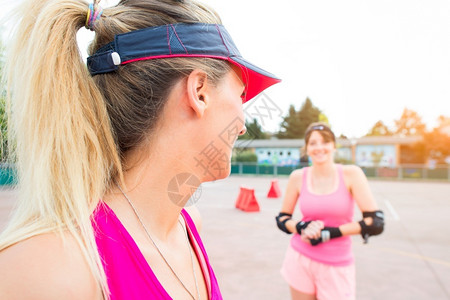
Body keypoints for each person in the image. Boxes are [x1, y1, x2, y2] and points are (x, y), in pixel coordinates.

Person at [0, 0, 280, 299]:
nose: (242, 126)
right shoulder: (48, 270)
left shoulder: (186, 223)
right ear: (199, 92)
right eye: (240, 95)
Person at [275, 122, 384, 300]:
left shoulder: (351, 174)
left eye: (324, 142)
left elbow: (376, 222)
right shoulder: (297, 177)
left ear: (333, 146)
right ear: (307, 148)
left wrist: (329, 233)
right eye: (313, 143)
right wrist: (302, 227)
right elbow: (282, 219)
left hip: (336, 264)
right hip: (300, 258)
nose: (319, 147)